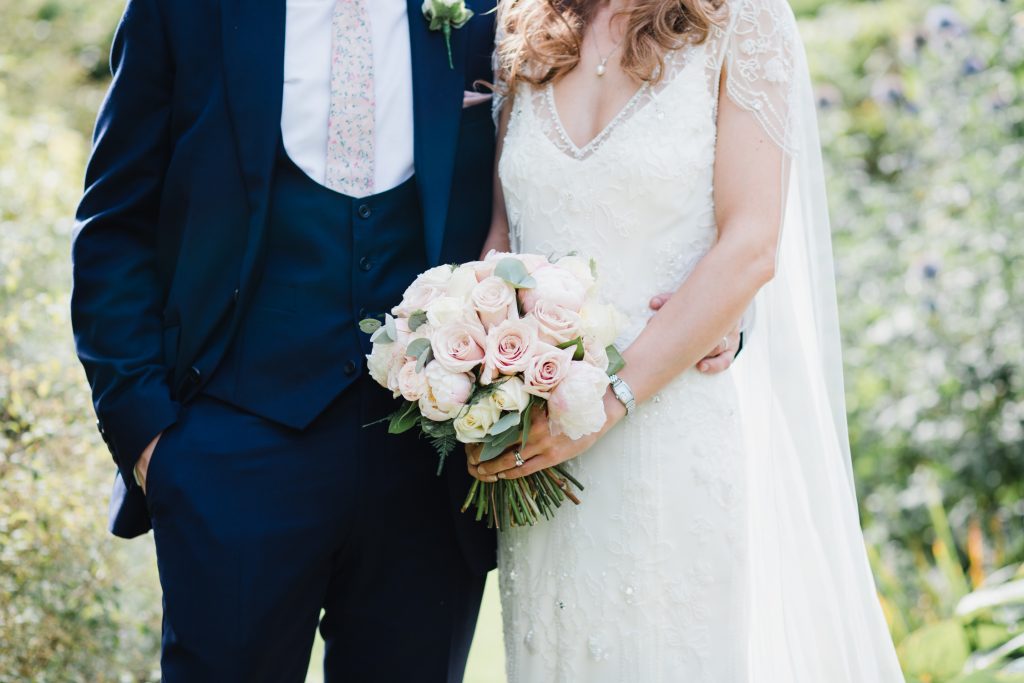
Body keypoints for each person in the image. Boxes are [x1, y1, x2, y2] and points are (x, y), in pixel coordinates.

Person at [470, 0, 906, 680]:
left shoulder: (743, 20)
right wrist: (476, 357)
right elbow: (505, 231)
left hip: (669, 433)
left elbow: (752, 244)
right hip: (545, 449)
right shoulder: (523, 22)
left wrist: (609, 399)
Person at [70, 0, 499, 679]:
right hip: (232, 450)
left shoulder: (492, 11)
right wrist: (150, 436)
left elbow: (576, 168)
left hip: (429, 466)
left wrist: (715, 323)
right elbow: (115, 224)